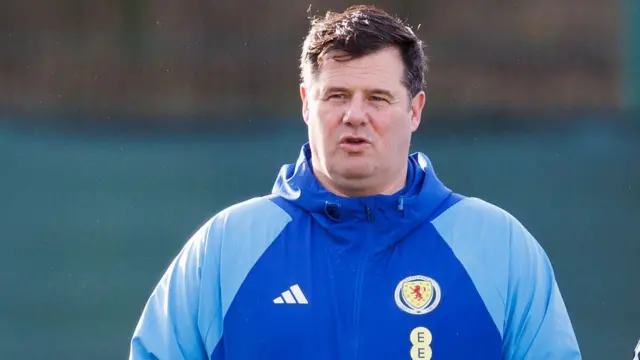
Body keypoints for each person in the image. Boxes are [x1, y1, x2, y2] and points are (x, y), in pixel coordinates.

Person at [129, 5, 582, 359]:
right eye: (337, 95)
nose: (355, 115)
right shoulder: (226, 248)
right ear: (308, 103)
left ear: (415, 110)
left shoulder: (498, 247)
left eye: (378, 98)